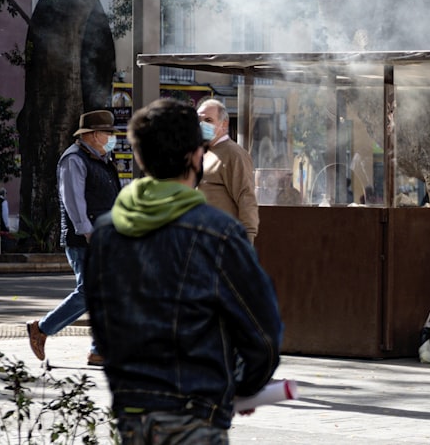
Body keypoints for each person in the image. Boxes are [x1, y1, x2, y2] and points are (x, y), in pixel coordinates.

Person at [84, 98, 283, 443]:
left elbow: (102, 328)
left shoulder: (106, 232)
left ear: (141, 158)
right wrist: (243, 387)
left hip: (132, 413)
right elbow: (263, 333)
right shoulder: (219, 233)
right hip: (196, 414)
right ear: (195, 156)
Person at [27, 110, 121, 366]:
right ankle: (42, 329)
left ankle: (98, 350)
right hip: (85, 239)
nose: (111, 137)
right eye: (107, 132)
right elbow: (73, 200)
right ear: (92, 134)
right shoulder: (74, 159)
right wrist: (88, 232)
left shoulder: (102, 158)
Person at [196, 98, 260, 244]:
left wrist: (247, 241)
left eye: (208, 120)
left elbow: (246, 197)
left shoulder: (234, 154)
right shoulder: (204, 153)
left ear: (224, 124)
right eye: (199, 120)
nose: (202, 125)